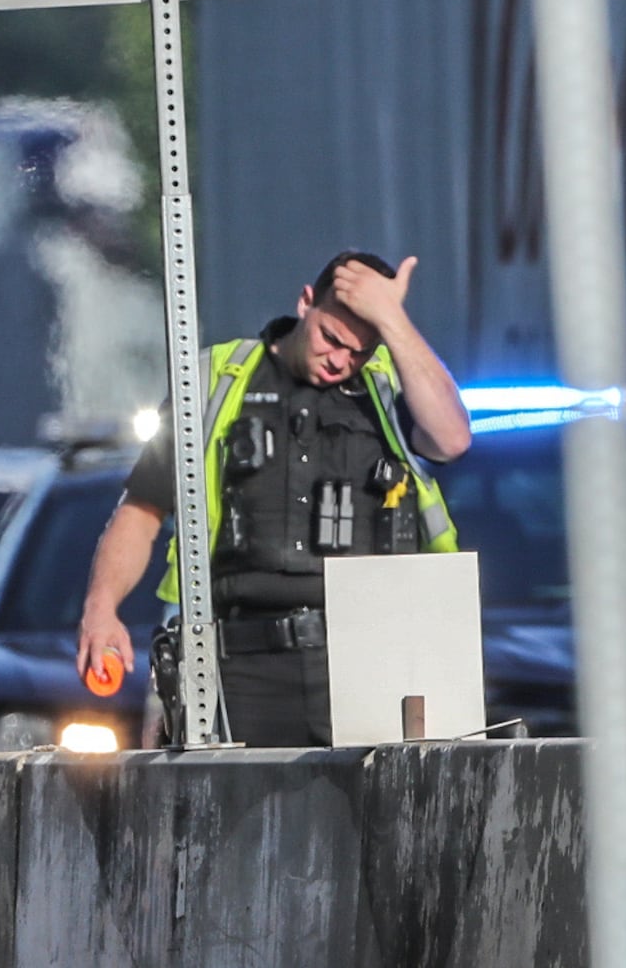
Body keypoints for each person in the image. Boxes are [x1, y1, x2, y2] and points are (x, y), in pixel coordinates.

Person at [76, 251, 473, 746]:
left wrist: (391, 320)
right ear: (306, 303)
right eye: (332, 339)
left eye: (360, 350)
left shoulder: (389, 388)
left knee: (377, 822)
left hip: (372, 659)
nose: (341, 360)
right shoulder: (217, 380)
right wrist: (102, 606)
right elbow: (142, 509)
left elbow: (453, 439)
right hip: (240, 664)